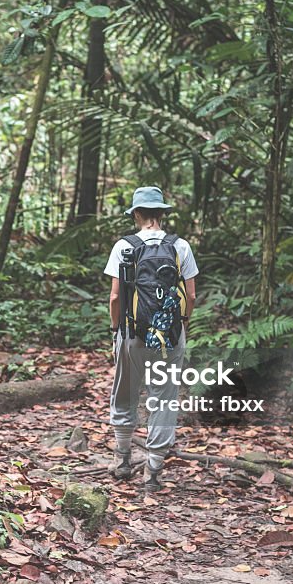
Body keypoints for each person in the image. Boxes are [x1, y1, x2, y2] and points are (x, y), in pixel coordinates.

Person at [103, 186, 198, 492]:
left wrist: (116, 330)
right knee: (164, 398)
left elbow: (115, 297)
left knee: (125, 390)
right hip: (170, 335)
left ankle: (122, 460)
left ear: (137, 214)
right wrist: (181, 324)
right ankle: (153, 472)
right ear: (161, 213)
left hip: (131, 333)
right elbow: (192, 295)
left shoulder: (124, 246)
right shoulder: (180, 246)